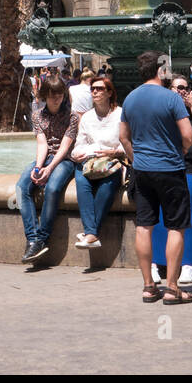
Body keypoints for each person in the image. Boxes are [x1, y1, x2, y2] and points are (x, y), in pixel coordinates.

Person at [119, 52, 192, 304]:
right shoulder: (171, 98)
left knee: (144, 225)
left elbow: (123, 137)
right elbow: (189, 136)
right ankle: (172, 289)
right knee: (176, 226)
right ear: (160, 70)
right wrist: (180, 151)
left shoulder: (130, 99)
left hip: (142, 170)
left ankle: (149, 286)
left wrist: (136, 158)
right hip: (170, 169)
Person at [149, 74, 192, 286]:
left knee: (191, 210)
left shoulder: (190, 112)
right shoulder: (161, 108)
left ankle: (189, 263)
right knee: (159, 212)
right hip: (163, 167)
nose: (180, 91)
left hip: (187, 168)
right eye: (176, 87)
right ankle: (156, 262)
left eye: (184, 88)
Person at [15, 75, 80, 263]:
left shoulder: (72, 116)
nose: (56, 98)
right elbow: (42, 144)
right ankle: (33, 240)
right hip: (45, 158)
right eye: (52, 95)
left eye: (59, 94)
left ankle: (43, 238)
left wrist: (49, 169)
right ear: (45, 95)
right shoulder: (37, 116)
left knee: (52, 189)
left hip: (65, 159)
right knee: (21, 188)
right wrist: (37, 168)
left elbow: (66, 146)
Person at [69, 76, 124, 252]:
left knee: (107, 186)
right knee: (81, 181)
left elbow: (127, 142)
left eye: (99, 89)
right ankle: (92, 234)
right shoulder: (87, 118)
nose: (95, 92)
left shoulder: (121, 114)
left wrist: (113, 152)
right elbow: (80, 143)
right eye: (93, 88)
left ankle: (89, 233)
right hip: (89, 160)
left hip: (112, 160)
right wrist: (77, 154)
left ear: (109, 92)